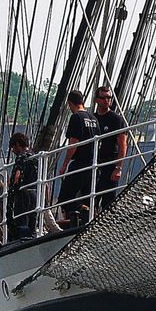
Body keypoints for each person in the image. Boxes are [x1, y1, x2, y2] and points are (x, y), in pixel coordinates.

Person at [57, 89, 99, 226]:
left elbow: (73, 143)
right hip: (92, 163)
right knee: (87, 195)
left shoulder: (76, 117)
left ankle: (77, 216)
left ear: (70, 103)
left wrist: (64, 164)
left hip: (80, 163)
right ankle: (84, 216)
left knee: (65, 196)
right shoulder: (93, 119)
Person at [92, 85, 128, 211]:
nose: (107, 100)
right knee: (90, 200)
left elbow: (123, 144)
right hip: (94, 165)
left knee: (108, 203)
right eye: (103, 98)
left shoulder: (116, 119)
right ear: (96, 99)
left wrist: (118, 168)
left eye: (109, 98)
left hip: (110, 164)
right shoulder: (92, 119)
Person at [7, 132, 39, 241]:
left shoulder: (22, 157)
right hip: (35, 193)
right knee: (32, 224)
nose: (13, 151)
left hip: (24, 194)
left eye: (13, 147)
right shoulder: (36, 157)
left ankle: (21, 244)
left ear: (17, 145)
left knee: (22, 224)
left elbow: (18, 175)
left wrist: (12, 187)